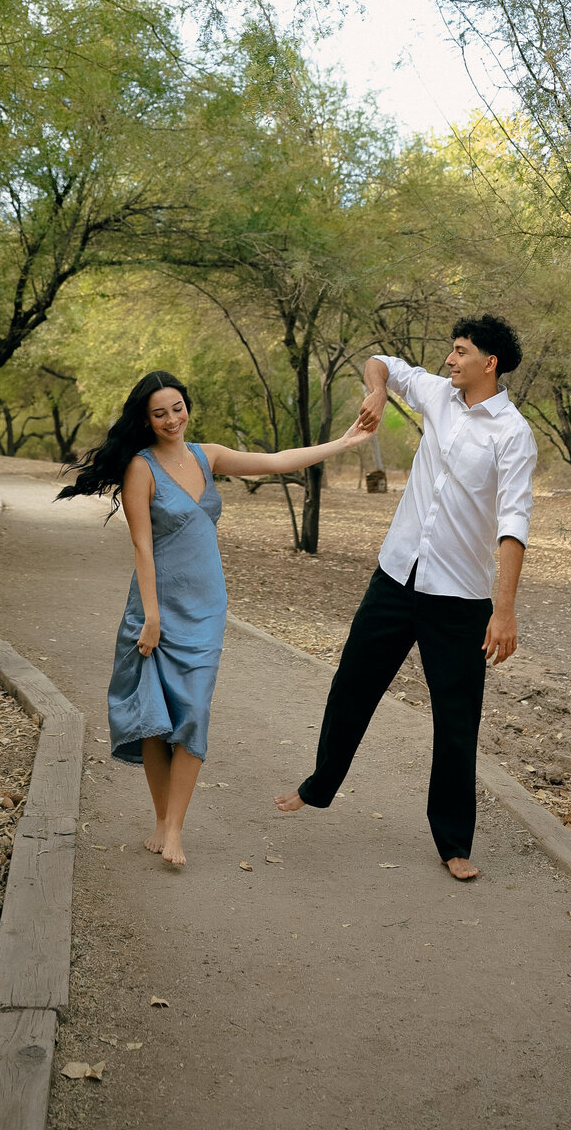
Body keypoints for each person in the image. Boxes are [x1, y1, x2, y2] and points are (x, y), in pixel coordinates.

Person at [60, 369, 370, 868]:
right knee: (158, 722)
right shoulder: (141, 467)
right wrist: (152, 616)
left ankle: (177, 829)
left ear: (188, 407)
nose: (171, 419)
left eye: (177, 408)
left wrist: (344, 442)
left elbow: (275, 460)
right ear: (145, 418)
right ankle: (163, 821)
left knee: (194, 714)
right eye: (159, 413)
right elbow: (141, 544)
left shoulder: (209, 455)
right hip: (156, 610)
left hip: (206, 609)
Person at [275, 315, 537, 880]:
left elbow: (514, 522)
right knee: (352, 683)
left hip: (460, 598)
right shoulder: (437, 395)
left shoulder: (513, 434)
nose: (450, 360)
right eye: (451, 351)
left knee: (456, 719)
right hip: (396, 576)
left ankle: (453, 842)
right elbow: (382, 364)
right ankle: (320, 785)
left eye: (461, 352)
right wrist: (375, 392)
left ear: (489, 363)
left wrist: (505, 607)